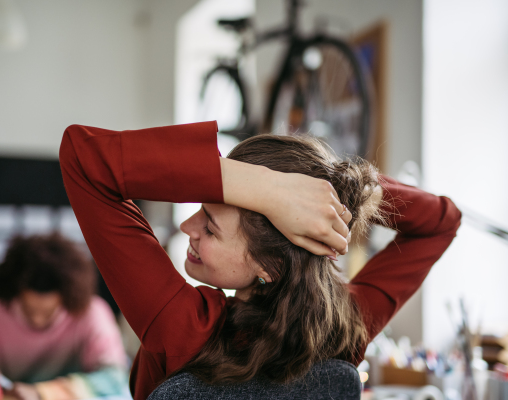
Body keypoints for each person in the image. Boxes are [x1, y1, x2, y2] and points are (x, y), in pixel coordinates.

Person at [59, 121, 461, 400]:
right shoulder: (346, 327)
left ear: (271, 268)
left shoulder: (181, 326)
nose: (187, 225)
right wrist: (332, 185)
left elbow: (82, 156)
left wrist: (272, 187)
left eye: (211, 226)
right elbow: (441, 222)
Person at [0, 233, 129, 400]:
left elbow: (114, 378)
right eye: (28, 310)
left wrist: (43, 393)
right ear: (16, 293)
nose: (37, 320)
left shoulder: (92, 312)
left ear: (67, 297)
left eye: (48, 312)